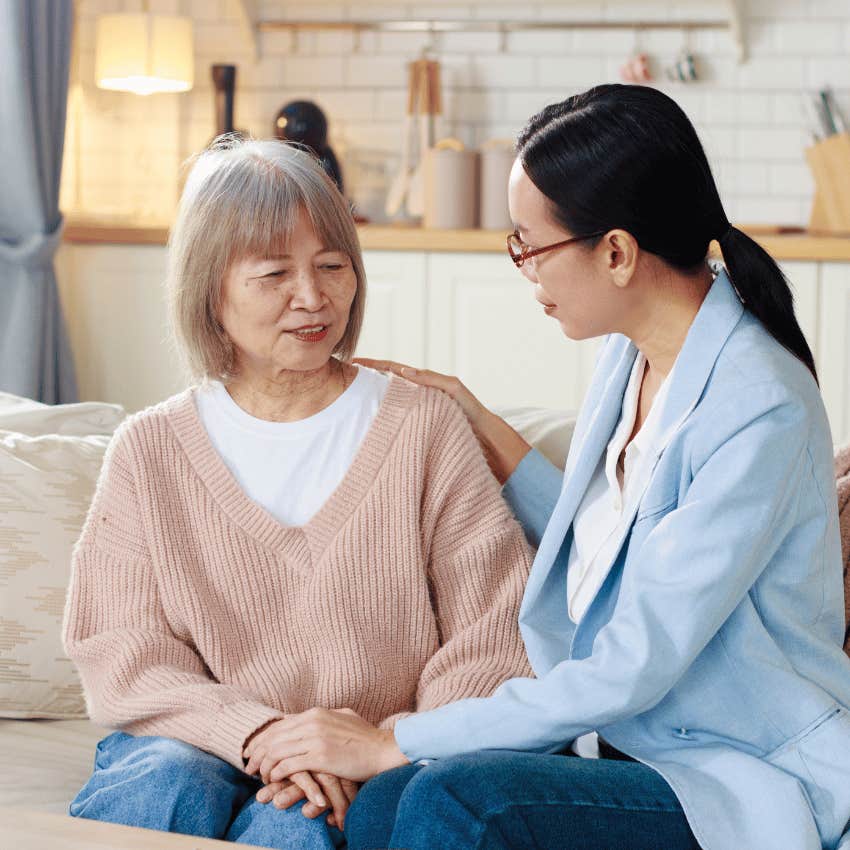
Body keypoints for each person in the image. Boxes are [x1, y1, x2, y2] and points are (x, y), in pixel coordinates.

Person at [246, 85, 850, 850]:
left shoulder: (762, 407)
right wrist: (475, 418)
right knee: (387, 803)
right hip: (629, 743)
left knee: (453, 801)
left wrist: (398, 736)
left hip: (736, 766)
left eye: (529, 245)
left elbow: (635, 661)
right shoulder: (632, 351)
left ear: (618, 252)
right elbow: (613, 536)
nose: (522, 266)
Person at [61, 138, 534, 850]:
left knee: (298, 828)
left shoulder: (421, 426)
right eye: (274, 273)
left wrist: (382, 745)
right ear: (209, 289)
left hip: (360, 760)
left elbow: (493, 634)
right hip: (198, 743)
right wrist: (258, 735)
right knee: (164, 781)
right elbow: (123, 650)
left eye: (333, 266)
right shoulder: (149, 449)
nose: (313, 298)